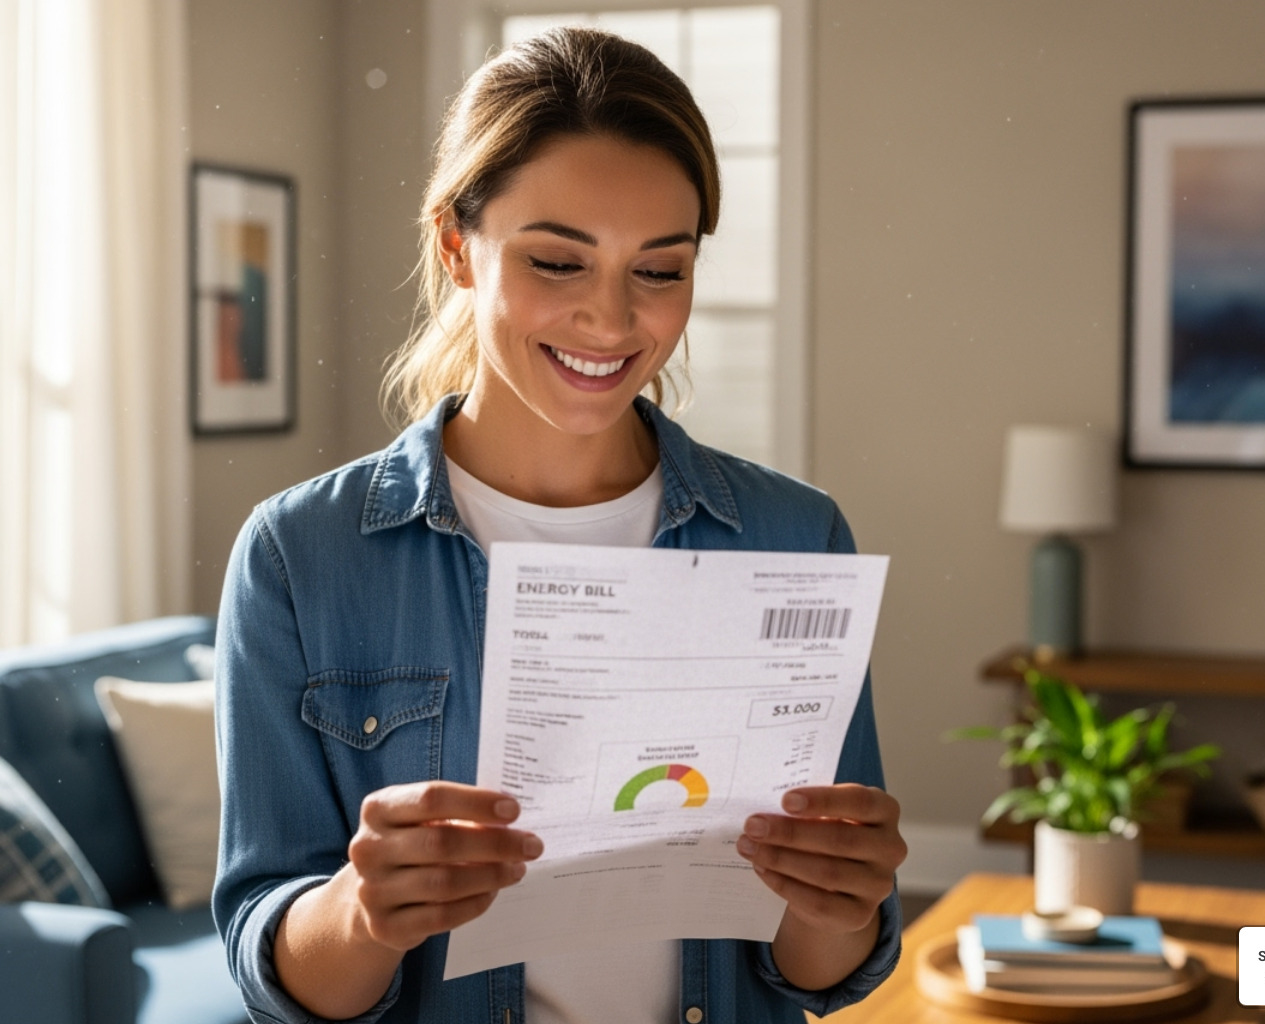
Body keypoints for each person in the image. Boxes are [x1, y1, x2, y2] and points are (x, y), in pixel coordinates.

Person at [212, 27, 906, 1024]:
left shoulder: (796, 537)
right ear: (458, 244)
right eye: (557, 261)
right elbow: (270, 962)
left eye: (659, 271)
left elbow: (817, 969)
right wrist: (363, 913)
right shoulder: (300, 557)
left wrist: (841, 897)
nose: (613, 322)